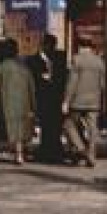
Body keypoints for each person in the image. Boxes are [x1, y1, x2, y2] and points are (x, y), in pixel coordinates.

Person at [0, 49, 36, 165]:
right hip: (22, 104)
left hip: (2, 104)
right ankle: (19, 155)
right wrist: (33, 106)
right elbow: (31, 89)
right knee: (19, 130)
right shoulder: (25, 70)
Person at [62, 37, 105, 167]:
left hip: (77, 101)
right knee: (93, 129)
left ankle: (81, 149)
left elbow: (72, 82)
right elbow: (102, 84)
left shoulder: (77, 60)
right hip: (94, 101)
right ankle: (91, 155)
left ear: (80, 46)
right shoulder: (99, 61)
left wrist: (66, 100)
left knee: (68, 124)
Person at [30, 34, 68, 162]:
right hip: (42, 97)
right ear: (44, 45)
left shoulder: (59, 58)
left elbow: (64, 77)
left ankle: (55, 150)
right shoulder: (33, 60)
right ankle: (46, 150)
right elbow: (33, 79)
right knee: (45, 124)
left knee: (56, 125)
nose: (53, 48)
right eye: (50, 45)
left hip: (56, 98)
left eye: (54, 46)